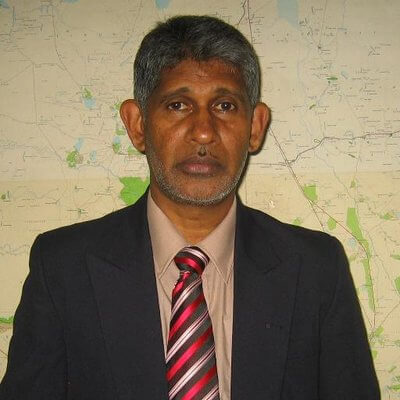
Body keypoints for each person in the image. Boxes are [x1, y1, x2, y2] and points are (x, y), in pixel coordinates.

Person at [0, 15, 379, 400]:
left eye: (225, 106)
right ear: (137, 124)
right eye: (178, 105)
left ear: (255, 126)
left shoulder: (315, 269)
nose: (203, 131)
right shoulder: (64, 269)